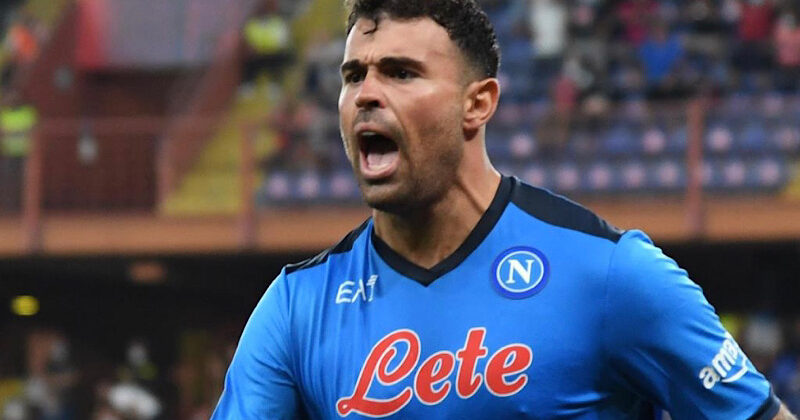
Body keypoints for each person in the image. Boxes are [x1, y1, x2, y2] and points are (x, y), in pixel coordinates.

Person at [212, 0, 798, 418]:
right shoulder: (296, 307)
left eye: (400, 73)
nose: (366, 93)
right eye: (353, 75)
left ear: (478, 104)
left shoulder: (610, 275)